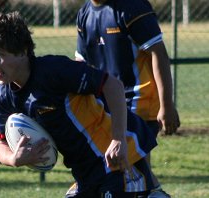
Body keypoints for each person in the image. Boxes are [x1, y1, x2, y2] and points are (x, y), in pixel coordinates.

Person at [0, 11, 158, 197]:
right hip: (84, 171)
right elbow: (1, 145)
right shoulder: (3, 97)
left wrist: (118, 139)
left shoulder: (55, 71)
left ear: (23, 51)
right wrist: (14, 158)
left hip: (116, 157)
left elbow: (113, 85)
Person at [74, 0, 181, 197]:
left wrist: (166, 105)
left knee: (123, 167)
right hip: (107, 104)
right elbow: (81, 63)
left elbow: (159, 52)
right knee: (133, 171)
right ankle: (154, 193)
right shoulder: (84, 14)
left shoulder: (132, 7)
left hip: (140, 102)